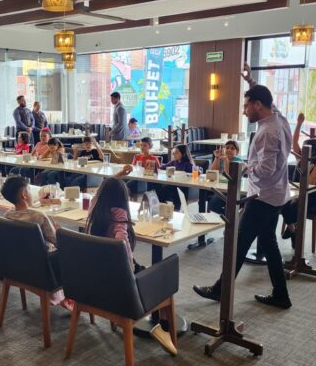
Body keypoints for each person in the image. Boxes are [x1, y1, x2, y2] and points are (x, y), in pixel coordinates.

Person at [193, 84, 293, 310]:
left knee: (238, 244)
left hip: (262, 197)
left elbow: (265, 169)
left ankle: (220, 290)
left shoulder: (267, 132)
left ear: (258, 105)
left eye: (246, 106)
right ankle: (281, 294)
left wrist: (245, 167)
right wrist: (250, 81)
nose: (244, 110)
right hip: (277, 194)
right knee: (268, 243)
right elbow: (269, 102)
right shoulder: (280, 120)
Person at [84, 172, 176, 355]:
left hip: (95, 280)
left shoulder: (95, 211)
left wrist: (115, 178)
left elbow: (98, 194)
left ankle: (155, 323)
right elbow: (123, 251)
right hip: (121, 286)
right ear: (123, 198)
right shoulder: (119, 219)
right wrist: (133, 269)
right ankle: (163, 327)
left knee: (145, 269)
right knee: (164, 275)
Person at [280, 113, 316, 246]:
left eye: (306, 149)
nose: (302, 151)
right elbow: (294, 141)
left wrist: (294, 198)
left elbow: (308, 186)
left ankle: (293, 231)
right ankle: (293, 230)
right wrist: (299, 123)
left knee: (286, 207)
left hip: (309, 197)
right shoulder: (300, 159)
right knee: (279, 203)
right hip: (295, 193)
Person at [1, 176, 57, 251]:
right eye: (29, 190)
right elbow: (56, 241)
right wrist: (57, 230)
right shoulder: (39, 216)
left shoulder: (7, 215)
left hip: (19, 252)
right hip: (43, 254)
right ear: (24, 194)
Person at [156, 144, 198, 209]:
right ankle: (165, 209)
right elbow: (162, 168)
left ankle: (176, 210)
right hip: (174, 185)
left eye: (177, 153)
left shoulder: (189, 164)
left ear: (183, 154)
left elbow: (194, 176)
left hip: (185, 187)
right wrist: (156, 165)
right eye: (173, 153)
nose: (174, 154)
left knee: (175, 192)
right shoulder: (174, 162)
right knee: (160, 192)